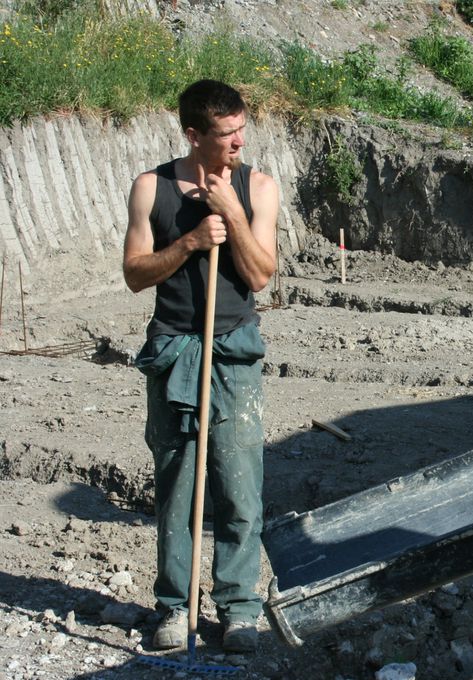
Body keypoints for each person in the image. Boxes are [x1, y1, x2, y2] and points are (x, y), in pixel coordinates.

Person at [123, 79, 279, 653]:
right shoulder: (151, 188)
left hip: (234, 349)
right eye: (227, 133)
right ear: (193, 134)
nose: (240, 141)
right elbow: (136, 274)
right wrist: (190, 240)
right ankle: (173, 607)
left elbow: (261, 274)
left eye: (243, 129)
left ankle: (239, 608)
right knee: (176, 486)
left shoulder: (258, 186)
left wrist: (233, 216)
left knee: (239, 487)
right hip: (173, 350)